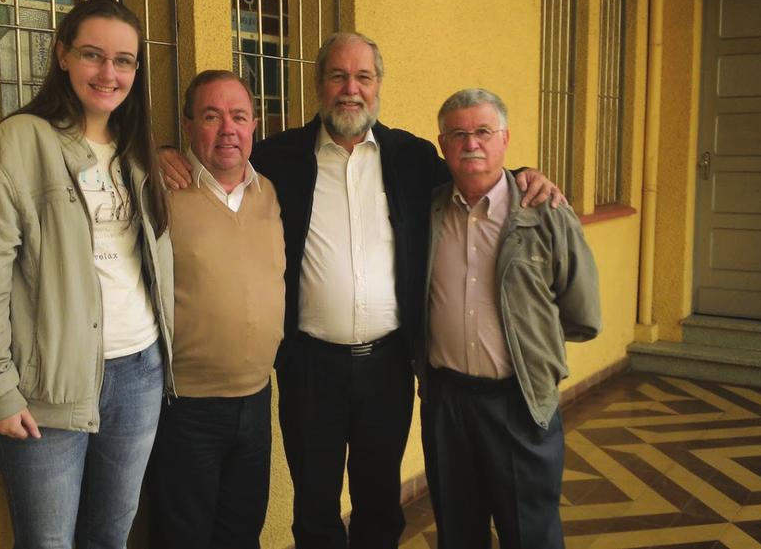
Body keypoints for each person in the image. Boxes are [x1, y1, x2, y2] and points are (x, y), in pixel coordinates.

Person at [160, 32, 560, 549]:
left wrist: (525, 175)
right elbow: (217, 156)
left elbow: (476, 176)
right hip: (309, 367)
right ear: (319, 84)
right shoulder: (280, 158)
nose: (351, 89)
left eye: (363, 77)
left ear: (377, 87)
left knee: (379, 504)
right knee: (315, 508)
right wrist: (165, 149)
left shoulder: (411, 157)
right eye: (338, 76)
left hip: (388, 367)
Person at [0, 0, 173, 549]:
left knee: (111, 535)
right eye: (93, 55)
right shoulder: (19, 143)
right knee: (47, 542)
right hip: (49, 385)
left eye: (124, 60)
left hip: (139, 371)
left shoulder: (137, 151)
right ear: (63, 56)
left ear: (136, 70)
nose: (109, 73)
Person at [419, 88, 601, 549]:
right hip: (448, 403)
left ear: (505, 139)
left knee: (530, 532)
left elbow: (581, 312)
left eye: (483, 131)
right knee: (458, 532)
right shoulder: (429, 209)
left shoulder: (544, 212)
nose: (471, 143)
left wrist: (532, 348)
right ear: (442, 145)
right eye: (458, 134)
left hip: (518, 400)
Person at [147, 70, 284, 549]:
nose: (228, 128)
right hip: (187, 407)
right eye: (211, 116)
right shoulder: (160, 192)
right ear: (188, 127)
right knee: (183, 535)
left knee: (241, 530)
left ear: (254, 126)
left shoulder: (270, 192)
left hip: (256, 399)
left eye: (239, 116)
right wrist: (153, 153)